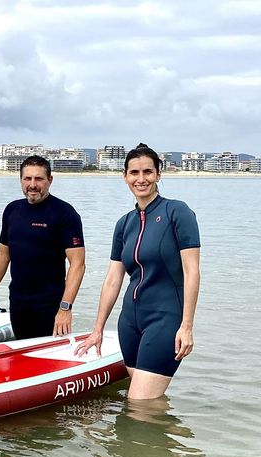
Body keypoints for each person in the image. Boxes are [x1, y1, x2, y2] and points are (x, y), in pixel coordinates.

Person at [76, 143, 200, 399]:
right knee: (146, 404)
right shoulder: (124, 224)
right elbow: (113, 279)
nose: (141, 179)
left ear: (158, 174)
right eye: (134, 173)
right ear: (125, 176)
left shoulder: (177, 212)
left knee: (138, 404)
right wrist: (97, 329)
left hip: (165, 320)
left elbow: (192, 272)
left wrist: (186, 326)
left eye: (147, 172)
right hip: (130, 322)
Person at [0, 155, 85, 338]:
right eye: (27, 178)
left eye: (39, 178)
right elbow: (3, 255)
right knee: (23, 354)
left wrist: (65, 308)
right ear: (20, 180)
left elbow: (78, 264)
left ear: (50, 180)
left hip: (50, 304)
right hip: (18, 301)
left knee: (51, 357)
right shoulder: (12, 210)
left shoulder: (65, 213)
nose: (33, 184)